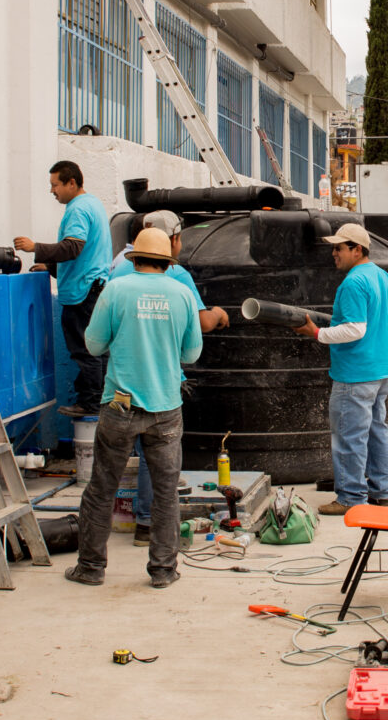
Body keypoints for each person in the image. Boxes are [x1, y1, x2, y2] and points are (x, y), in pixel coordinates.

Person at [66, 229, 202, 589]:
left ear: (135, 257)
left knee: (101, 488)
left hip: (120, 406)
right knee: (165, 491)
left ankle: (91, 567)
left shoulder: (116, 289)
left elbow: (93, 345)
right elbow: (191, 354)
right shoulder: (183, 294)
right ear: (167, 261)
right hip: (167, 408)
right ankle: (162, 569)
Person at [105, 210, 230, 546]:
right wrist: (218, 314)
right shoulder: (177, 277)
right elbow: (196, 340)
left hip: (119, 389)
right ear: (172, 240)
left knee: (110, 462)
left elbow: (95, 340)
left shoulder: (118, 265)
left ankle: (100, 537)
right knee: (155, 458)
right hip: (160, 389)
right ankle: (149, 528)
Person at [296, 223, 388, 513]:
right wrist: (371, 322)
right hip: (380, 371)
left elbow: (354, 329)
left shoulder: (353, 282)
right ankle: (381, 491)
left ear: (357, 250)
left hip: (355, 374)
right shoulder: (381, 275)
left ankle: (351, 497)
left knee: (349, 436)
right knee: (376, 431)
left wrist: (316, 333)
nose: (333, 253)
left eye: (339, 248)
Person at [14, 161, 111, 418]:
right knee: (98, 349)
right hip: (95, 288)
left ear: (71, 183)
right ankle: (99, 400)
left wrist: (35, 248)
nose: (52, 191)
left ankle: (90, 403)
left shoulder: (78, 210)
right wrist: (50, 266)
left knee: (84, 349)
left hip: (82, 292)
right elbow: (84, 253)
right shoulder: (94, 204)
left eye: (55, 185)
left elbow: (72, 248)